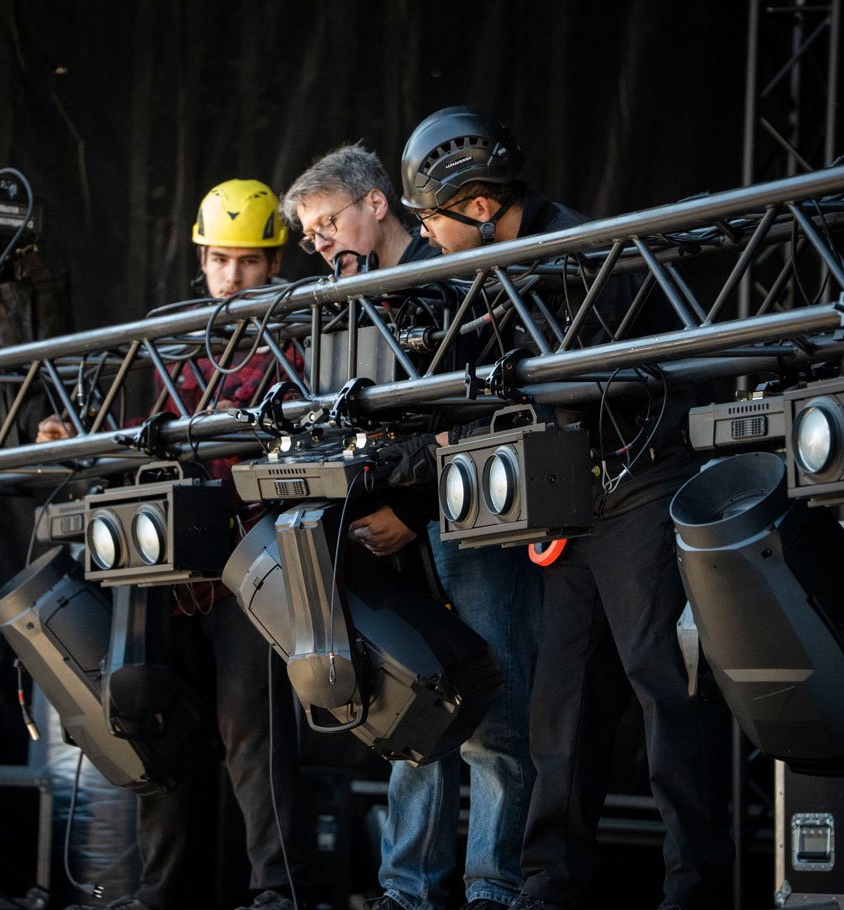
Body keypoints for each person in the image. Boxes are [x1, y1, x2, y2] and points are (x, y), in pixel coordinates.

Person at [400, 105, 734, 910]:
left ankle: (695, 890)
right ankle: (549, 887)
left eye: (430, 218)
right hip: (574, 501)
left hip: (644, 480)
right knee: (564, 700)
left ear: (482, 206)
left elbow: (615, 381)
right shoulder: (483, 275)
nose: (424, 236)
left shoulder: (585, 252)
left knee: (664, 685)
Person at [282, 143, 544, 910]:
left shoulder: (457, 272)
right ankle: (408, 890)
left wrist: (414, 510)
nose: (320, 244)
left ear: (376, 203)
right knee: (410, 706)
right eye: (308, 235)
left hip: (472, 522)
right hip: (393, 532)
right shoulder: (340, 303)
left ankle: (493, 887)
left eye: (327, 224)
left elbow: (491, 418)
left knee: (497, 711)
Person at [59, 179, 310, 910]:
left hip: (247, 565)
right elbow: (136, 446)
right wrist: (78, 441)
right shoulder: (168, 342)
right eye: (220, 260)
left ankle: (277, 895)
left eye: (249, 261)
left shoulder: (298, 335)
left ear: (274, 263)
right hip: (167, 569)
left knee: (252, 736)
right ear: (201, 260)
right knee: (158, 730)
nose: (233, 277)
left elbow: (312, 442)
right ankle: (162, 895)